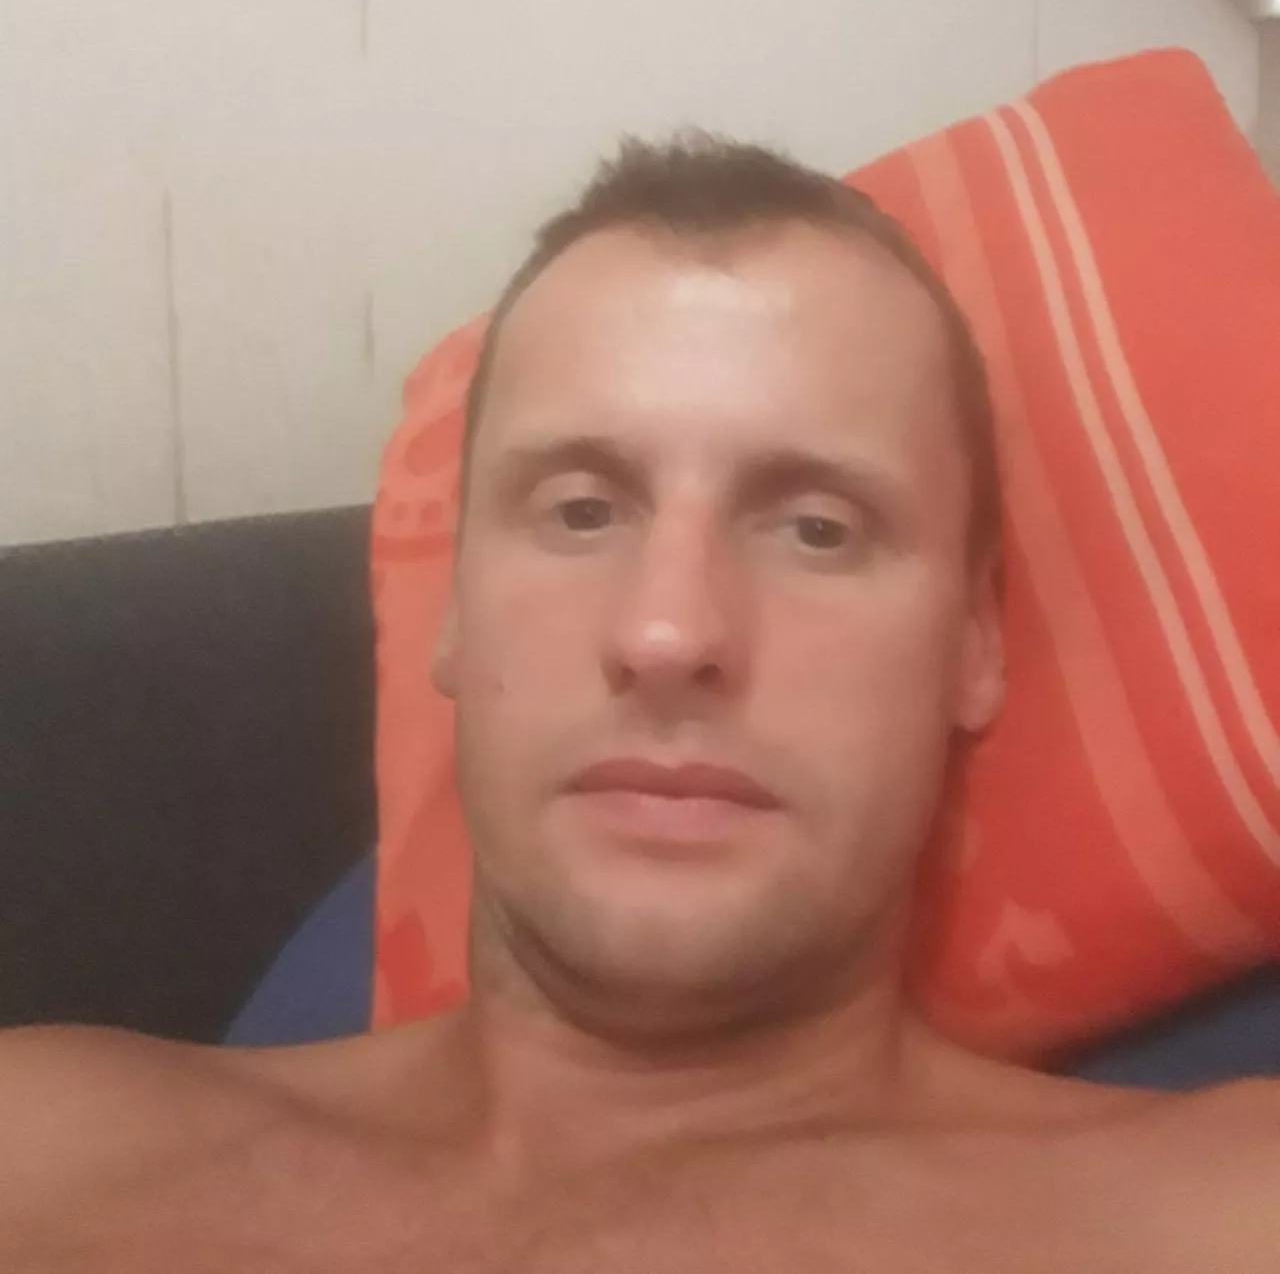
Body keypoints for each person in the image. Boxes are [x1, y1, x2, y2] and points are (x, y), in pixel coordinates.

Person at [0, 136, 1275, 1273]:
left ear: (971, 643)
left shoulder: (1218, 1212)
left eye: (816, 529)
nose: (667, 634)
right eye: (580, 512)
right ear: (453, 613)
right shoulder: (46, 1153)